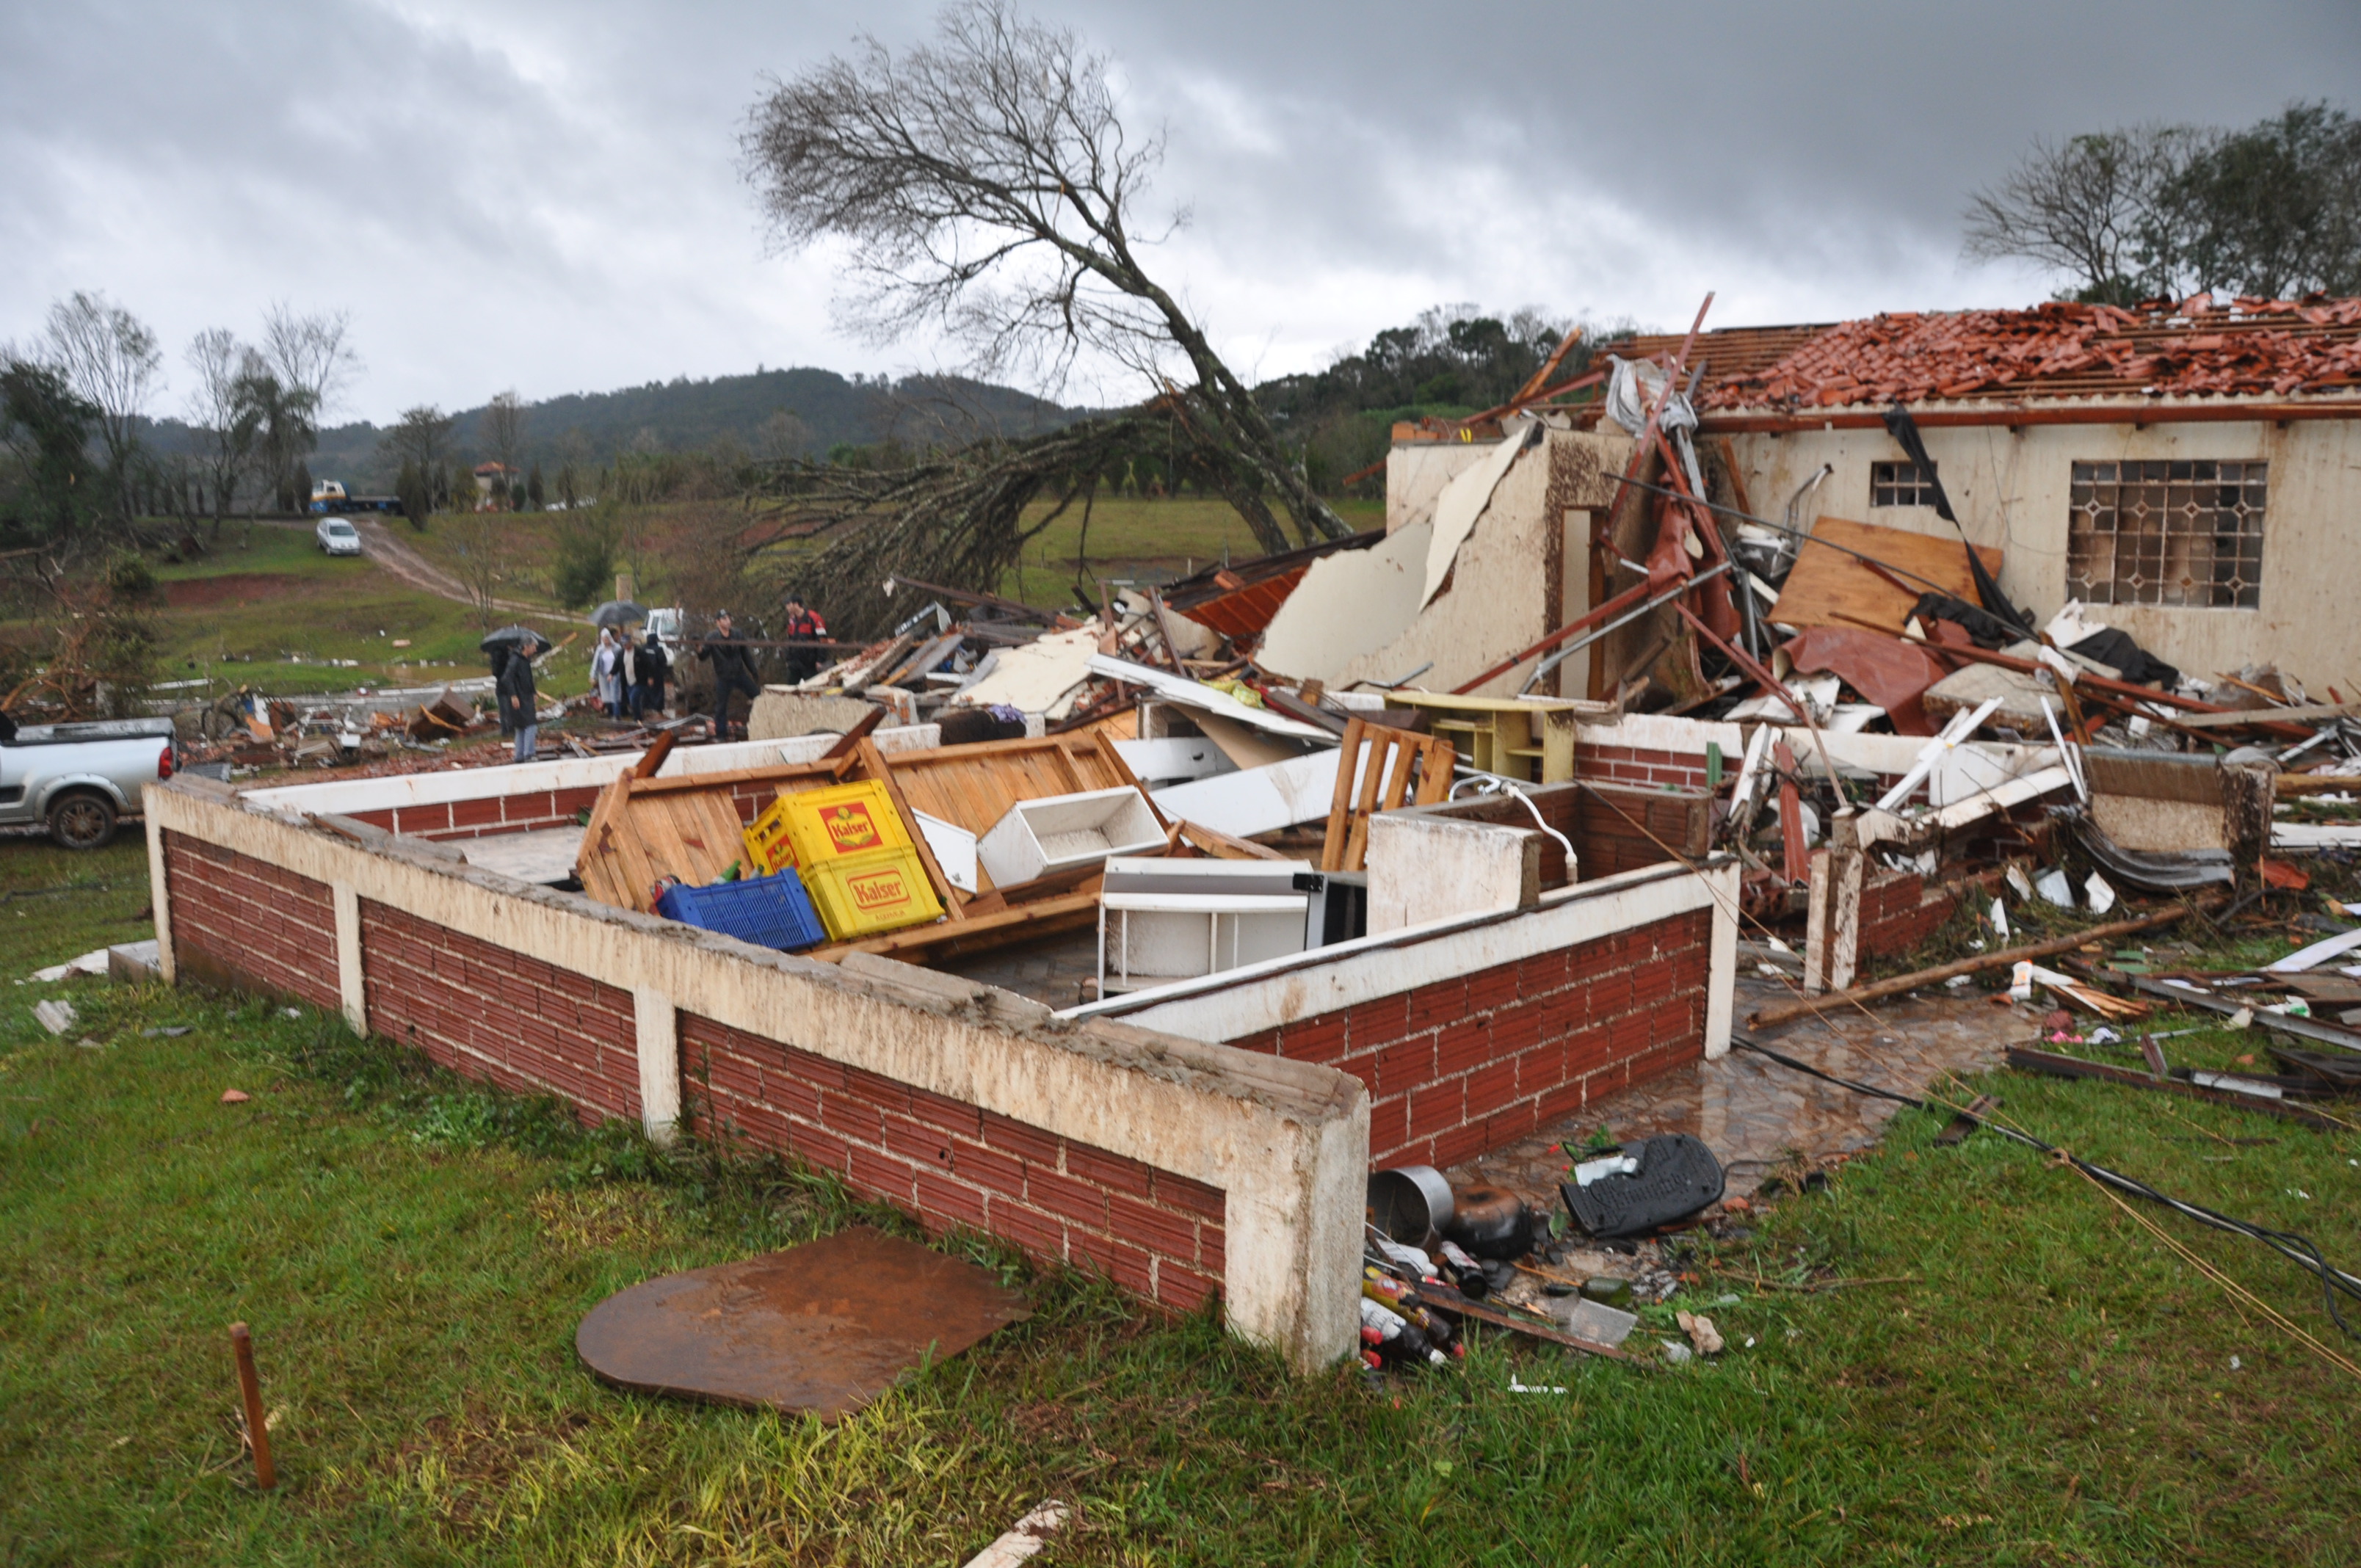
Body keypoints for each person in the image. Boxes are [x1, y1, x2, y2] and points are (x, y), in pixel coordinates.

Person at [697, 610, 760, 742]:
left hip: (739, 674)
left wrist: (753, 671)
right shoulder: (712, 637)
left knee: (758, 697)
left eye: (729, 618)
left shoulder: (737, 634)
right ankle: (721, 735)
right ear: (718, 622)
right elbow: (703, 656)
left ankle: (761, 725)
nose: (728, 621)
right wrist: (698, 648)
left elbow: (745, 654)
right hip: (724, 677)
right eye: (724, 619)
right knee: (721, 707)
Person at [498, 634, 540, 762]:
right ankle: (529, 753)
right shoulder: (515, 660)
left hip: (526, 696)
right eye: (533, 646)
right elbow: (506, 678)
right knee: (531, 725)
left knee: (521, 727)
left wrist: (533, 692)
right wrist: (513, 695)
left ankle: (519, 755)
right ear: (526, 646)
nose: (535, 650)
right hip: (520, 697)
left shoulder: (525, 660)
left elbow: (528, 679)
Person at [780, 592, 827, 685]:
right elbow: (790, 641)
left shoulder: (814, 618)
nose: (787, 608)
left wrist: (820, 660)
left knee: (812, 690)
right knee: (791, 690)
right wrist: (788, 660)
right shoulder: (791, 620)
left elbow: (823, 640)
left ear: (797, 604)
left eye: (789, 605)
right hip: (794, 662)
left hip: (810, 663)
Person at [628, 628, 669, 720]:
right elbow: (663, 661)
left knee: (645, 692)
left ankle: (645, 709)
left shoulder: (643, 648)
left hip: (644, 675)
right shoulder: (658, 649)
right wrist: (664, 672)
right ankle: (658, 710)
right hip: (657, 675)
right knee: (658, 692)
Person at [591, 627, 623, 717]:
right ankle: (610, 711)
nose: (606, 641)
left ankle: (616, 714)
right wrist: (593, 676)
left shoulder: (617, 648)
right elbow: (596, 662)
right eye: (604, 639)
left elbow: (621, 661)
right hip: (603, 675)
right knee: (607, 695)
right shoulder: (600, 650)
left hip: (615, 674)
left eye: (607, 639)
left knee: (615, 694)